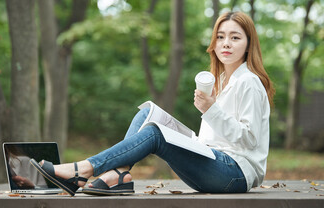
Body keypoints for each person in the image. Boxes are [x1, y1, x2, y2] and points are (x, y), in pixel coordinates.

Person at [31, 11, 275, 196]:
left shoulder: (249, 82)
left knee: (156, 134)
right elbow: (215, 140)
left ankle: (82, 169)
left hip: (235, 174)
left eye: (235, 37)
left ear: (248, 44)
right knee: (148, 113)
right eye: (221, 37)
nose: (226, 43)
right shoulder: (221, 81)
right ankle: (118, 176)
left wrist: (210, 109)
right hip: (214, 165)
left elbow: (249, 139)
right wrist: (197, 133)